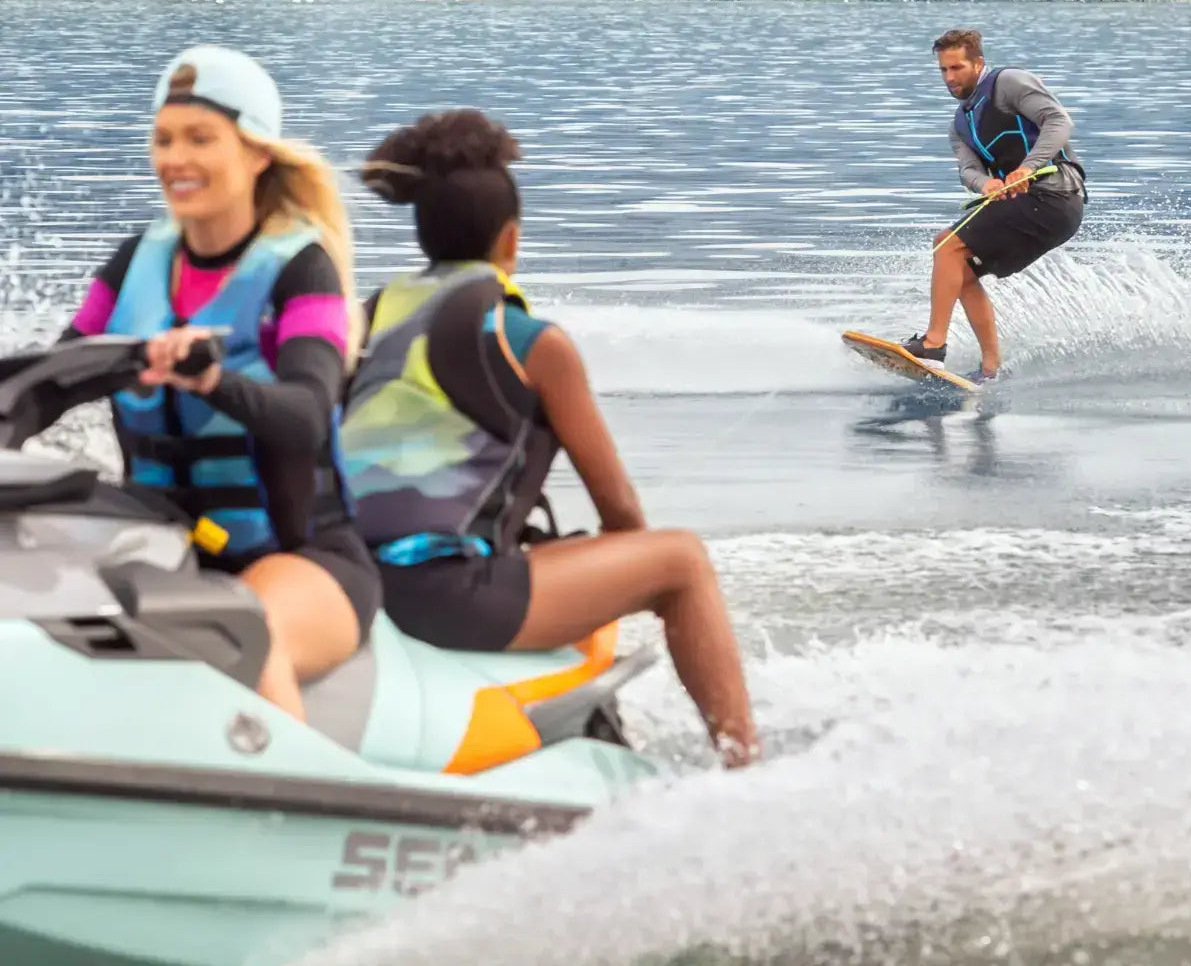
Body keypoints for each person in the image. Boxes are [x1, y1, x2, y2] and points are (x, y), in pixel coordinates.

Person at [339, 109, 760, 770]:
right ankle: (744, 767)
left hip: (345, 581)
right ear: (510, 241)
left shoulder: (363, 321)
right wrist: (609, 575)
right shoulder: (530, 343)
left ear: (423, 236)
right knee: (680, 562)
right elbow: (620, 511)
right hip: (444, 596)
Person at [63, 44, 381, 723]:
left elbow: (303, 412)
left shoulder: (301, 270)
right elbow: (55, 379)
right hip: (167, 549)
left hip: (304, 560)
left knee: (243, 635)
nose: (175, 159)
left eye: (201, 139)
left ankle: (289, 822)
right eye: (164, 139)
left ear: (257, 153)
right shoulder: (135, 263)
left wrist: (212, 378)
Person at [899, 28, 1087, 381]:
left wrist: (1027, 168)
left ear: (978, 63)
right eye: (943, 70)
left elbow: (1060, 121)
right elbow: (968, 170)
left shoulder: (1010, 83)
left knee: (946, 245)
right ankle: (990, 368)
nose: (950, 78)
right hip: (1029, 204)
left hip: (1055, 195)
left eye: (957, 68)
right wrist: (985, 183)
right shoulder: (959, 124)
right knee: (959, 271)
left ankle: (933, 346)